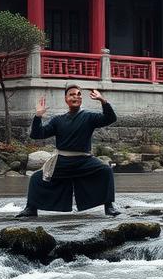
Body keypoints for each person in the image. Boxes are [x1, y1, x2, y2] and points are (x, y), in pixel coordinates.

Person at [15, 85, 120, 218]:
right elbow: (37, 134)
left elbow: (110, 118)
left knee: (106, 171)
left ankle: (109, 206)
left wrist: (102, 101)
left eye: (79, 94)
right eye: (72, 94)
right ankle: (31, 209)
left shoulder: (89, 117)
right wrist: (37, 116)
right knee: (36, 178)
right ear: (66, 99)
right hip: (62, 161)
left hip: (84, 160)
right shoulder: (58, 120)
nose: (76, 96)